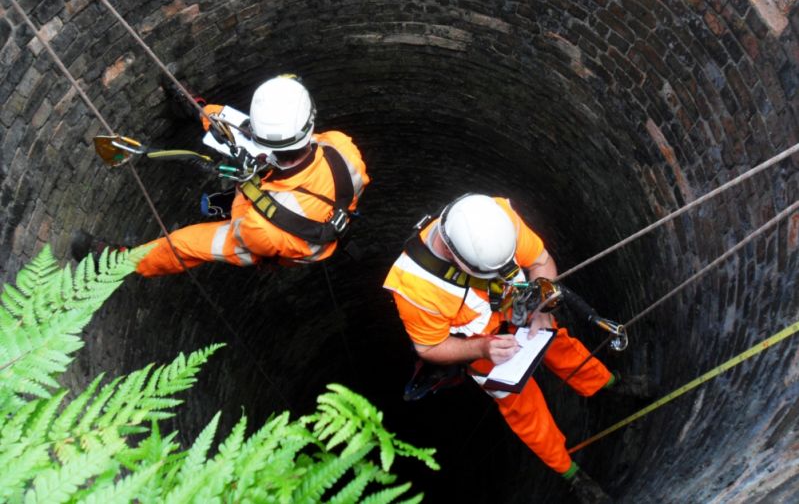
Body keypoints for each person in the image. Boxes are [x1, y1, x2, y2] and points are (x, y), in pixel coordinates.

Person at [383, 193, 613, 502]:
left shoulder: (495, 220)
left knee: (558, 344)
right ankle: (569, 472)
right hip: (480, 347)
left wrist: (543, 309)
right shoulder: (414, 286)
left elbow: (541, 262)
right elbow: (430, 347)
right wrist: (482, 350)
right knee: (523, 408)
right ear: (456, 258)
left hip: (519, 312)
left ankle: (606, 384)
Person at [75, 75, 369, 276]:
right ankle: (197, 109)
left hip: (279, 242)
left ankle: (122, 262)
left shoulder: (259, 227)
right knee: (234, 128)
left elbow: (241, 213)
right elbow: (300, 143)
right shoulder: (343, 147)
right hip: (308, 203)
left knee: (182, 244)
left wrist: (248, 176)